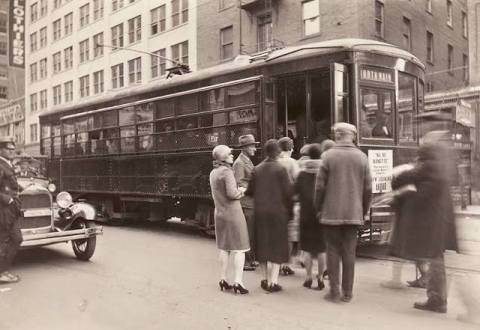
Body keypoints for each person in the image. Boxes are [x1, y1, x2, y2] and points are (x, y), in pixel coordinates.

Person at [388, 142, 457, 313]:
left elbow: (401, 182)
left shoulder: (426, 168)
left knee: (434, 260)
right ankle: (437, 298)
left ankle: (437, 300)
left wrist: (403, 195)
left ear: (422, 157)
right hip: (440, 222)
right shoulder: (438, 168)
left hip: (431, 224)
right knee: (436, 259)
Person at [315, 123, 372, 303]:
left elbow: (319, 187)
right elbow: (368, 188)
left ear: (337, 136)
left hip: (331, 213)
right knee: (349, 253)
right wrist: (363, 210)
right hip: (354, 213)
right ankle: (347, 293)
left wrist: (318, 208)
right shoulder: (362, 157)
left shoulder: (328, 156)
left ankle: (334, 291)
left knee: (332, 251)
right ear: (353, 137)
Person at [245, 139, 293, 292]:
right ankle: (273, 282)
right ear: (278, 152)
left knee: (263, 246)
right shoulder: (281, 169)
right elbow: (288, 194)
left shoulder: (257, 169)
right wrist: (290, 213)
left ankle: (264, 279)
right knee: (277, 246)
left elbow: (250, 191)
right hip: (278, 213)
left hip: (260, 212)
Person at [209, 145, 250, 294]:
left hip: (219, 213)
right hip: (233, 214)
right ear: (223, 157)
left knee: (224, 248)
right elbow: (232, 194)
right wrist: (242, 190)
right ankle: (238, 281)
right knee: (241, 249)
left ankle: (223, 279)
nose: (233, 156)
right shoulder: (227, 172)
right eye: (230, 154)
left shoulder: (213, 172)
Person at [295, 142, 333, 290]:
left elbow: (294, 193)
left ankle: (309, 277)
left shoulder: (302, 174)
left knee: (309, 249)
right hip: (322, 215)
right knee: (322, 248)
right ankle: (320, 277)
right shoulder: (326, 173)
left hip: (305, 215)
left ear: (308, 156)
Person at [233, 134, 259, 272]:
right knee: (247, 233)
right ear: (244, 148)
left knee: (251, 232)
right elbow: (239, 183)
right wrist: (254, 187)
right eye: (252, 146)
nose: (255, 148)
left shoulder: (247, 160)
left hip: (251, 202)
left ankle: (251, 259)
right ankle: (246, 261)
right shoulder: (239, 163)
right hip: (246, 202)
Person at [0, 136, 22, 284]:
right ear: (1, 150)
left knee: (15, 238)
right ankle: (2, 272)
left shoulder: (7, 164)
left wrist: (20, 189)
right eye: (9, 149)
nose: (12, 151)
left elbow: (9, 184)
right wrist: (6, 198)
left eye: (13, 149)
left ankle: (3, 270)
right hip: (4, 208)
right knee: (5, 240)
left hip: (11, 208)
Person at [277, 136, 300, 276]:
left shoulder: (274, 161)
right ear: (290, 149)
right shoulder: (292, 162)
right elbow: (298, 180)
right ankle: (286, 264)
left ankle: (277, 264)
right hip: (289, 202)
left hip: (275, 202)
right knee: (290, 235)